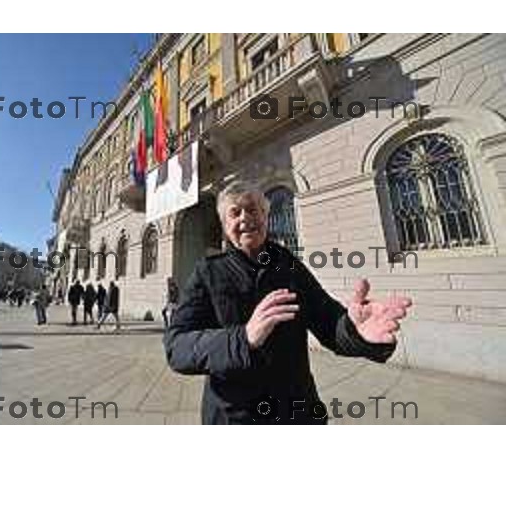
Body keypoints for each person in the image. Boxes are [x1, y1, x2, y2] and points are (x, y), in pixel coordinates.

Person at [163, 181, 413, 425]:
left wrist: (354, 329)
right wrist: (243, 338)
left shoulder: (290, 266)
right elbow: (177, 347)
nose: (244, 218)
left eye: (252, 210)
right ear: (225, 225)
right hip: (234, 417)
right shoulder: (208, 272)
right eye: (235, 212)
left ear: (265, 216)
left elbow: (328, 320)